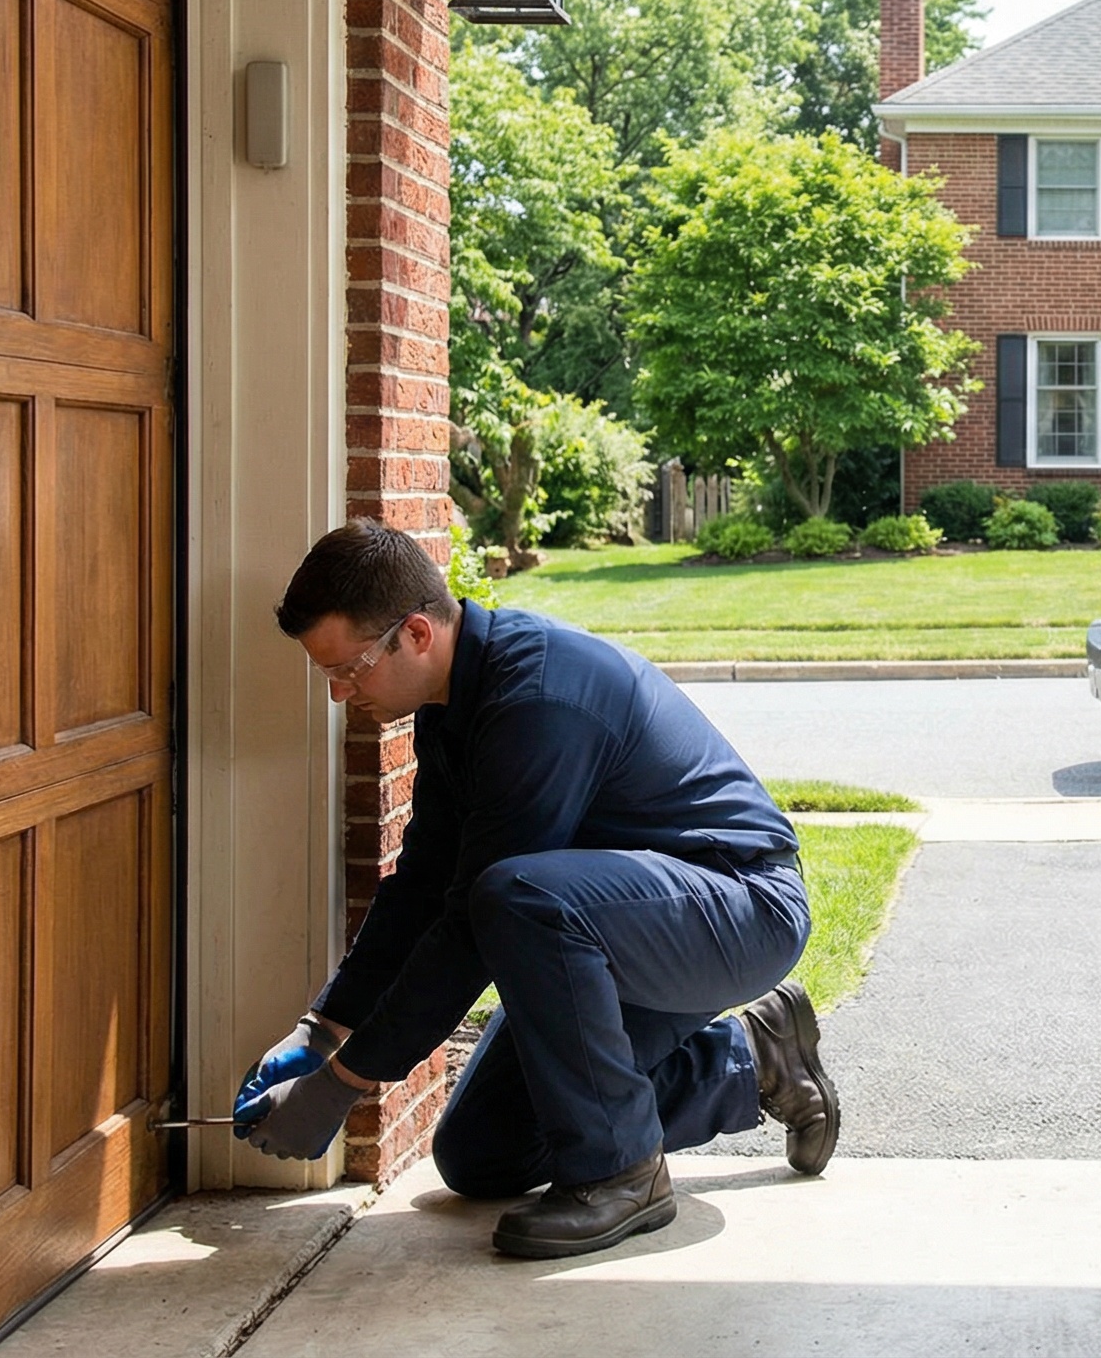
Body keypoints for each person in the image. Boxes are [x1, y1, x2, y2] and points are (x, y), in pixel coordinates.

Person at [232, 519, 837, 1259]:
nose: (337, 694)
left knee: (514, 896)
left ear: (416, 633)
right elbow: (423, 886)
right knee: (483, 1154)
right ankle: (751, 1058)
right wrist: (322, 1028)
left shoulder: (538, 700)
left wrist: (342, 1084)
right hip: (620, 928)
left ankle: (622, 1176)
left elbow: (470, 930)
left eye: (350, 669)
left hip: (737, 907)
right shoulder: (452, 710)